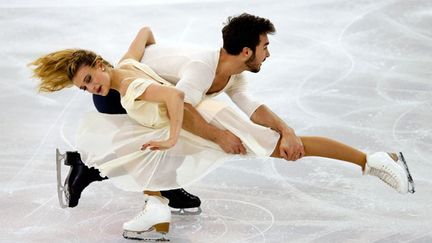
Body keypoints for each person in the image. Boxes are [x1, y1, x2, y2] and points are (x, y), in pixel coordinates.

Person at [29, 13, 414, 241]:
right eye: (264, 46)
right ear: (246, 52)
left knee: (252, 142)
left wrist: (287, 129)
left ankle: (375, 160)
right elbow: (183, 106)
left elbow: (251, 106)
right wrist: (217, 135)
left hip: (146, 91)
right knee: (157, 138)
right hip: (125, 98)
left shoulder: (230, 74)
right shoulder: (198, 69)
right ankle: (151, 202)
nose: (268, 52)